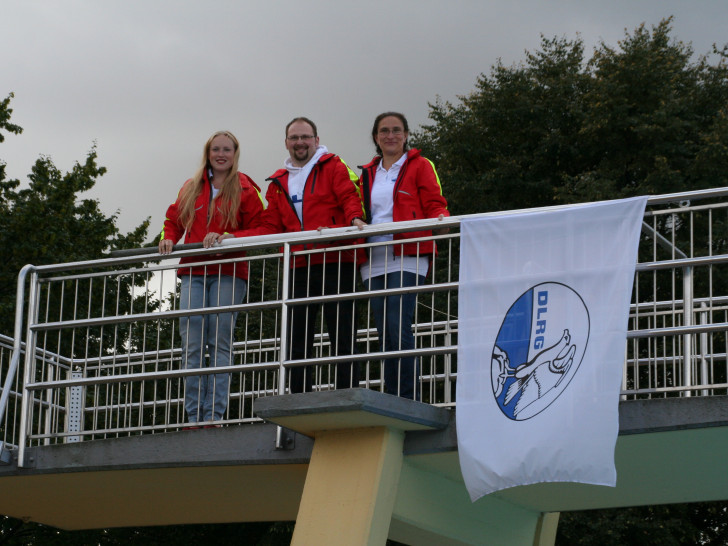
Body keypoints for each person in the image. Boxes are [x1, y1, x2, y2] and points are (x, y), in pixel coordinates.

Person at [159, 130, 264, 427]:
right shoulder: (191, 187)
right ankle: (193, 417)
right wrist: (169, 239)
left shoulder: (245, 188)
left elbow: (263, 228)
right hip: (193, 271)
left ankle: (213, 416)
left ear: (235, 154)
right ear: (207, 153)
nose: (221, 154)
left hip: (229, 272)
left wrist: (230, 237)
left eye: (226, 150)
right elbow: (173, 219)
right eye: (215, 149)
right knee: (192, 344)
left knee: (219, 343)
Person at [260, 117, 366, 393]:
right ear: (286, 143)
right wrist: (234, 237)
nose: (300, 143)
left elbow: (349, 196)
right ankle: (298, 397)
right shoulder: (277, 181)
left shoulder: (333, 165)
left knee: (342, 334)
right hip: (299, 264)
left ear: (316, 140)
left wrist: (354, 219)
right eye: (294, 138)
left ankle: (347, 394)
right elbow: (269, 226)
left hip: (336, 259)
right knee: (298, 336)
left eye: (305, 137)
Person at [359, 112, 449, 400]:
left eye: (396, 130)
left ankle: (407, 398)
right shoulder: (367, 172)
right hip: (374, 257)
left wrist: (442, 218)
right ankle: (393, 395)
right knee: (385, 330)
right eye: (384, 131)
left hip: (408, 251)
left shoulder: (420, 165)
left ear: (406, 134)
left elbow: (435, 202)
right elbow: (359, 208)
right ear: (376, 137)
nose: (390, 136)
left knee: (399, 323)